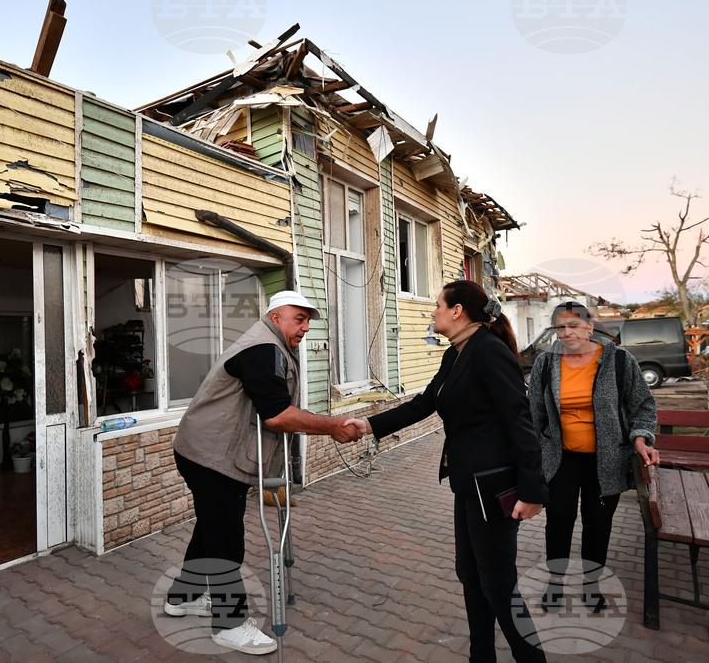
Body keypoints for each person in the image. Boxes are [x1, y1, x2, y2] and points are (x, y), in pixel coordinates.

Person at [348, 280, 548, 663]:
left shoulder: (488, 352)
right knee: (471, 576)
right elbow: (425, 403)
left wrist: (533, 490)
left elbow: (519, 420)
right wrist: (369, 425)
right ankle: (481, 656)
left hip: (493, 486)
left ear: (458, 311)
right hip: (467, 484)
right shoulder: (456, 354)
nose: (433, 312)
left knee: (499, 585)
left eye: (438, 305)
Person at [165, 290, 363, 655]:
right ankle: (228, 625)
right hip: (212, 458)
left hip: (205, 451)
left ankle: (183, 597)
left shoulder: (270, 344)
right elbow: (277, 414)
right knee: (225, 537)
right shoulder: (263, 348)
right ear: (275, 317)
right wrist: (334, 426)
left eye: (307, 321)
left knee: (211, 526)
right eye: (298, 319)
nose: (304, 328)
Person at [527, 301, 659, 614]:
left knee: (597, 524)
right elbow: (534, 414)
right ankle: (555, 584)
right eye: (560, 327)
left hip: (606, 461)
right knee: (558, 521)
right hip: (561, 459)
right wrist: (532, 453)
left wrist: (641, 438)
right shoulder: (546, 363)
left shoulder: (618, 361)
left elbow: (644, 405)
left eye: (573, 325)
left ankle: (591, 585)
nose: (567, 332)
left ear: (590, 326)